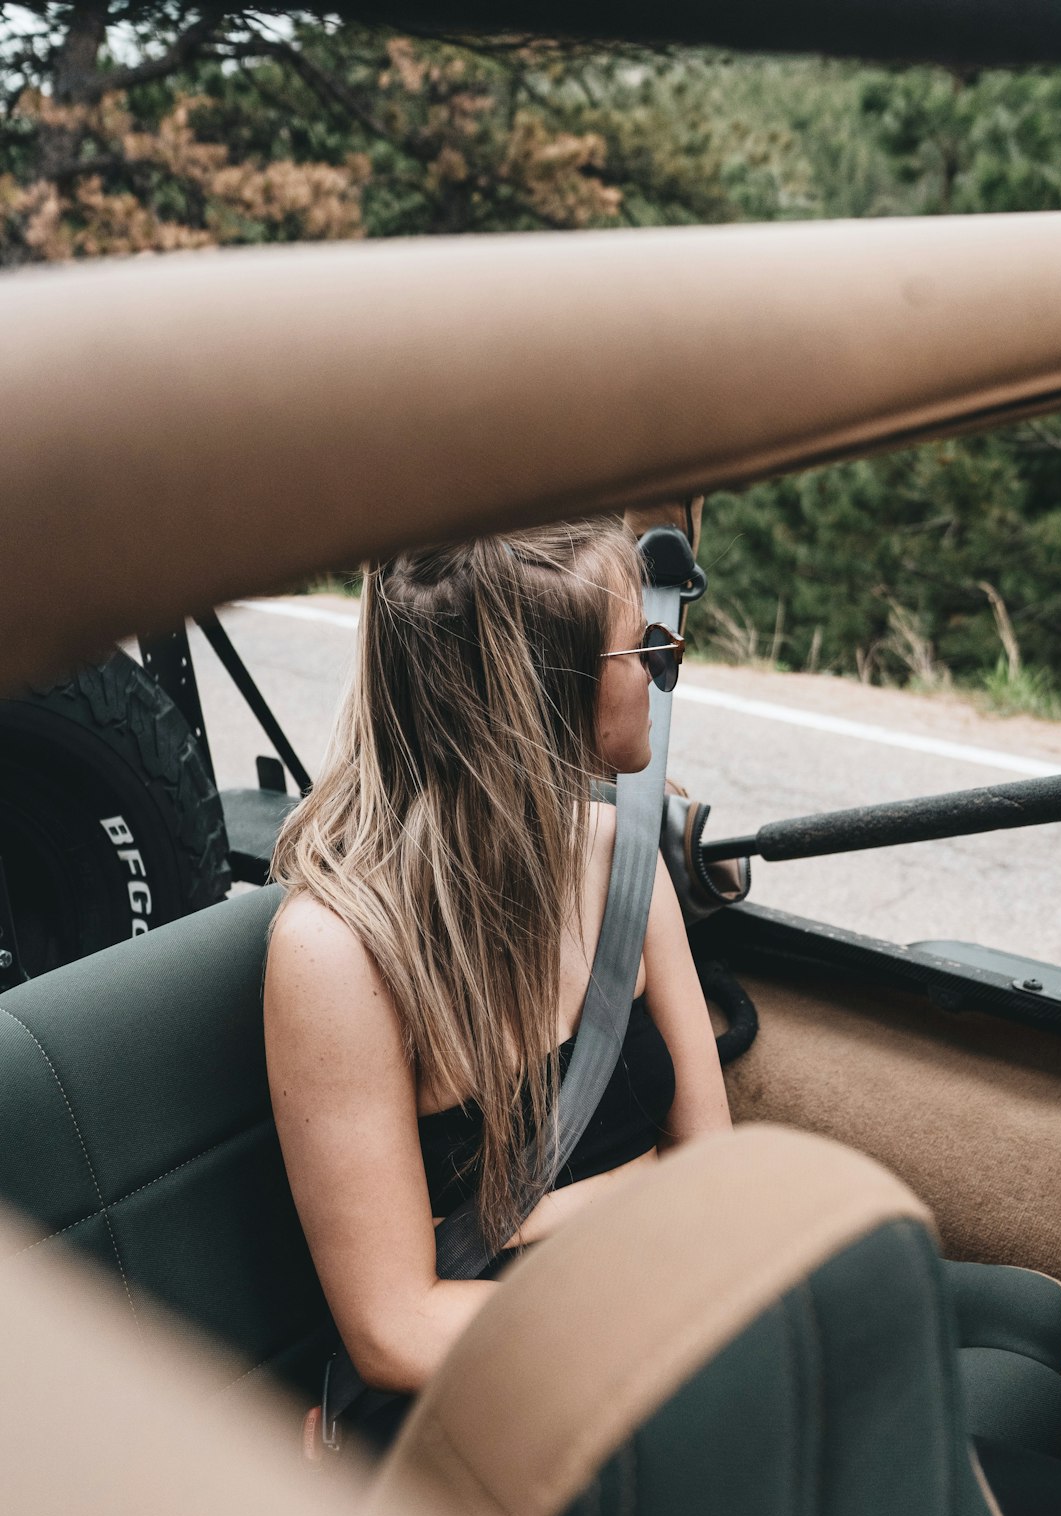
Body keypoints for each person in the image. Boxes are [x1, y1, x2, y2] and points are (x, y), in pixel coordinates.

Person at [263, 517, 732, 1446]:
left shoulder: (618, 859)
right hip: (499, 1387)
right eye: (641, 644)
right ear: (540, 692)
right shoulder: (338, 951)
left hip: (661, 1310)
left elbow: (711, 1164)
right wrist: (651, 1335)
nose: (660, 666)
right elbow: (396, 1330)